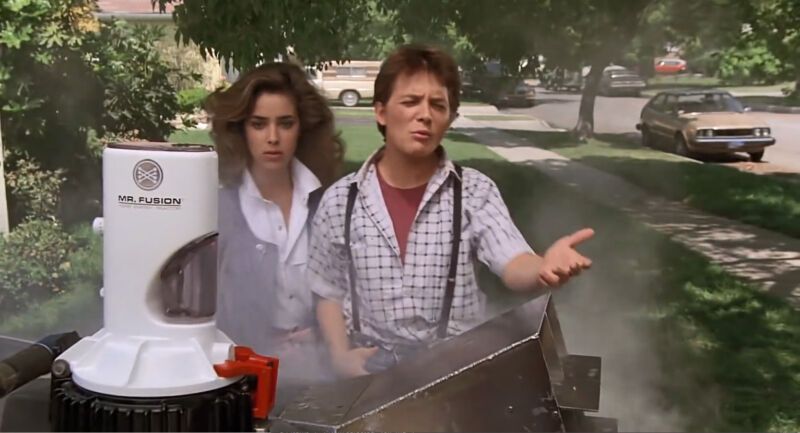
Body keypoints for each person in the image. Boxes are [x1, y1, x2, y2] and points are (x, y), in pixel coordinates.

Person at [307, 44, 594, 378]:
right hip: (369, 374)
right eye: (411, 102)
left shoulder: (473, 191)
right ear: (381, 112)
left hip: (455, 374)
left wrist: (542, 266)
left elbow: (512, 261)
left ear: (451, 119)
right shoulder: (341, 200)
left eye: (438, 105)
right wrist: (339, 355)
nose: (425, 115)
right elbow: (327, 289)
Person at [207, 62, 343, 384]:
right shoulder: (217, 210)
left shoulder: (330, 202)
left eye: (285, 123)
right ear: (241, 130)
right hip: (240, 380)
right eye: (258, 124)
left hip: (325, 376)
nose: (272, 137)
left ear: (302, 128)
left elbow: (351, 291)